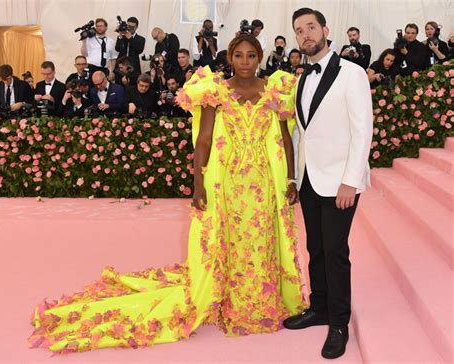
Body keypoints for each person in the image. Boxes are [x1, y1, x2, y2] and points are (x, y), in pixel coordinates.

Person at [28, 32, 307, 354]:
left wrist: (290, 180)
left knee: (262, 239)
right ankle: (227, 297)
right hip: (226, 182)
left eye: (251, 56)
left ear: (260, 57)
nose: (245, 62)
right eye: (239, 56)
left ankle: (262, 297)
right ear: (230, 58)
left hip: (263, 182)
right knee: (229, 238)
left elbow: (287, 139)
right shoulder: (215, 90)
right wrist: (198, 185)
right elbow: (203, 140)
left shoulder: (276, 89)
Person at [284, 8, 372, 360]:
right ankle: (318, 307)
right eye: (298, 30)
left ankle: (338, 323)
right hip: (309, 178)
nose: (305, 35)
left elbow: (362, 130)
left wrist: (350, 182)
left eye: (310, 27)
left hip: (340, 182)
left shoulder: (351, 73)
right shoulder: (301, 78)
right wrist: (294, 176)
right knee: (316, 249)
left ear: (325, 30)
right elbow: (299, 131)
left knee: (336, 252)